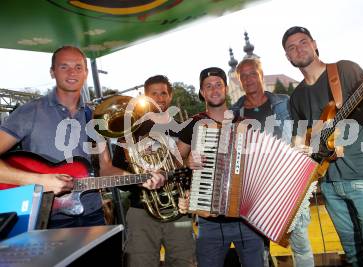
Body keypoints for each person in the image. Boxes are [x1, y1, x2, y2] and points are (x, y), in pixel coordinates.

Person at [0, 45, 164, 229]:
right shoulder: (29, 112)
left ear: (86, 73)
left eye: (78, 67)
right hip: (45, 217)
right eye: (64, 66)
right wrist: (41, 181)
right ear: (52, 72)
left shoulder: (95, 117)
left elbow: (106, 169)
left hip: (91, 214)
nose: (72, 72)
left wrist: (140, 178)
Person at [282, 26, 363, 266]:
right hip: (329, 185)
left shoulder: (345, 69)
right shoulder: (296, 97)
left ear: (315, 44)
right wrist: (299, 148)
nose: (299, 48)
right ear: (288, 57)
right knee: (355, 258)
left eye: (303, 42)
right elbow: (300, 138)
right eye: (291, 47)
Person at [177, 67, 265, 267]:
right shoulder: (193, 124)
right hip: (210, 222)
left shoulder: (245, 124)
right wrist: (187, 162)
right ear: (202, 92)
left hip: (247, 219)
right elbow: (175, 161)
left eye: (218, 85)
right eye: (208, 86)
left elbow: (259, 165)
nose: (214, 90)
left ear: (225, 89)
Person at [231, 57, 315, 267]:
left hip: (289, 183)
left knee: (301, 245)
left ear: (261, 74)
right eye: (244, 76)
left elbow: (306, 130)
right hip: (255, 188)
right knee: (259, 251)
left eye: (253, 73)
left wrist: (305, 145)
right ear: (239, 81)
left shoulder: (284, 102)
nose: (249, 79)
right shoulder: (233, 114)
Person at [112, 75, 196, 267]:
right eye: (154, 94)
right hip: (141, 210)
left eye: (164, 93)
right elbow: (116, 170)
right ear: (145, 96)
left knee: (184, 262)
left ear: (171, 96)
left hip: (179, 211)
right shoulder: (131, 130)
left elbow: (191, 170)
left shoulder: (183, 128)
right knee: (140, 262)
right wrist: (141, 178)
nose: (159, 98)